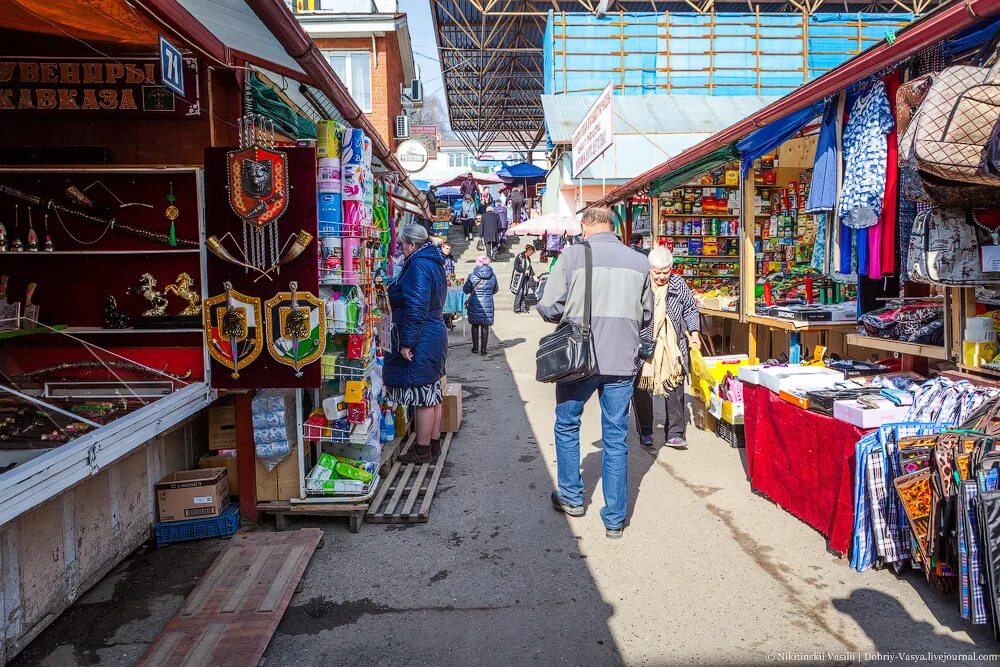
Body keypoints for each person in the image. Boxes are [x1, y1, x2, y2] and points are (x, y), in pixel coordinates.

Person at [537, 207, 653, 540]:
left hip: (578, 359)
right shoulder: (639, 261)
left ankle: (572, 498)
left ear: (586, 227)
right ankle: (614, 519)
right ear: (613, 228)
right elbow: (646, 313)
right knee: (616, 437)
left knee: (567, 423)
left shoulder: (573, 255)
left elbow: (549, 305)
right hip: (622, 359)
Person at [383, 224, 449, 464]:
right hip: (433, 333)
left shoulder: (418, 265)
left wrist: (407, 343)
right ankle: (433, 446)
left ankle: (421, 450)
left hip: (422, 336)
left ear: (412, 244)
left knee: (423, 396)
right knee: (432, 392)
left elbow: (416, 306)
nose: (400, 249)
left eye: (401, 245)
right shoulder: (433, 262)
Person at [633, 247, 701, 449]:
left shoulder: (678, 283)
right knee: (642, 387)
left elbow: (690, 308)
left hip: (673, 343)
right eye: (657, 272)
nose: (662, 276)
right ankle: (646, 431)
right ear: (650, 269)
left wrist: (695, 334)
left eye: (666, 271)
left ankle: (675, 432)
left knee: (675, 385)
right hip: (645, 341)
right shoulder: (641, 283)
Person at [463, 255, 499, 356]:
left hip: (475, 302)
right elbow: (495, 290)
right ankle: (483, 350)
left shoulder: (472, 275)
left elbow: (466, 289)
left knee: (475, 325)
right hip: (487, 302)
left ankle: (475, 347)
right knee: (485, 326)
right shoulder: (493, 275)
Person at [510, 244, 536, 313]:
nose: (531, 254)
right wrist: (524, 270)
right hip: (519, 277)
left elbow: (530, 268)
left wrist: (533, 275)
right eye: (531, 252)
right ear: (528, 251)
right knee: (519, 292)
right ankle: (517, 308)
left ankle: (523, 308)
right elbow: (516, 266)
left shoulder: (528, 259)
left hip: (526, 278)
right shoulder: (520, 256)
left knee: (524, 292)